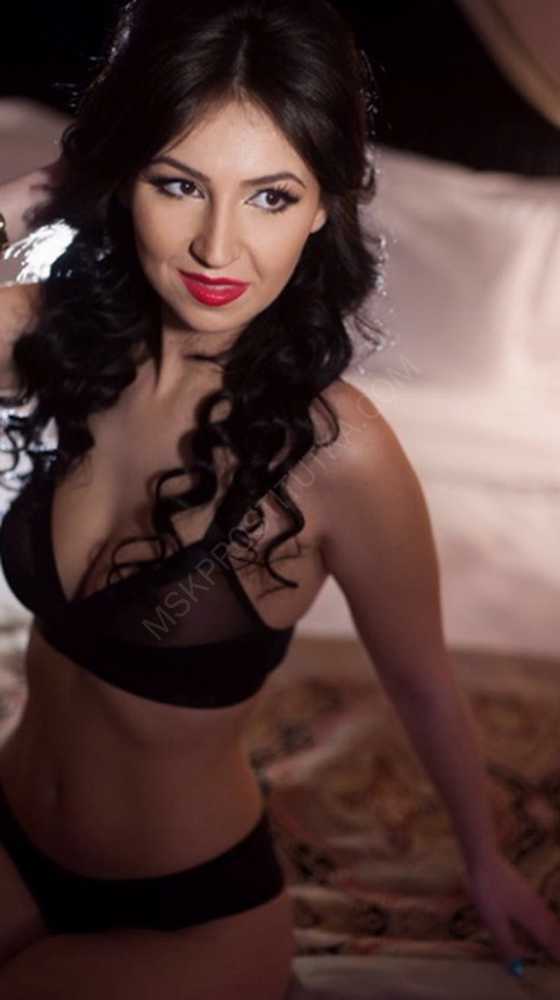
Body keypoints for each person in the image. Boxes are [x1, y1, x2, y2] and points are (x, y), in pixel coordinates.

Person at [0, 1, 558, 997]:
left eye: (269, 196)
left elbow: (421, 682)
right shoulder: (58, 343)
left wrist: (484, 861)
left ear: (321, 208)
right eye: (178, 184)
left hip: (185, 913)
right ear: (124, 179)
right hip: (13, 839)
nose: (218, 247)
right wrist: (31, 204)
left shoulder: (338, 455)